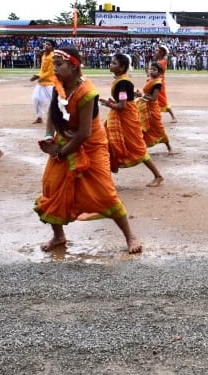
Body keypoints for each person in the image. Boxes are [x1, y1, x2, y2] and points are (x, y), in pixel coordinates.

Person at [34, 48, 142, 253]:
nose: (54, 68)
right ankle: (58, 237)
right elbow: (53, 114)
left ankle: (130, 236)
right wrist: (49, 137)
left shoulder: (87, 92)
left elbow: (84, 133)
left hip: (91, 146)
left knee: (105, 193)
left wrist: (60, 152)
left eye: (59, 64)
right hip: (65, 142)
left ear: (74, 67)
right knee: (51, 187)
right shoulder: (59, 84)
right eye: (54, 64)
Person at [101, 53, 165, 187]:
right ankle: (105, 179)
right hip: (122, 116)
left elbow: (122, 106)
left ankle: (158, 175)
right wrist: (112, 103)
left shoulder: (123, 83)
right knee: (108, 144)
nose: (110, 65)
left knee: (137, 148)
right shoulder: (121, 80)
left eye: (114, 63)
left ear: (122, 67)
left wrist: (109, 104)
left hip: (126, 118)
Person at [136, 61, 173, 154]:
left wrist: (141, 95)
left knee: (159, 128)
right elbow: (145, 93)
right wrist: (138, 94)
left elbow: (153, 98)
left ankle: (169, 148)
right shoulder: (149, 80)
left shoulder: (157, 83)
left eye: (154, 70)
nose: (152, 71)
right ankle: (141, 148)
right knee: (142, 128)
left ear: (159, 73)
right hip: (144, 107)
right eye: (151, 69)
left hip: (152, 109)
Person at [30, 40, 55, 124]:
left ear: (52, 47)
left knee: (55, 102)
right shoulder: (44, 56)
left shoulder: (53, 57)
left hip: (50, 83)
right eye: (45, 44)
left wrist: (39, 76)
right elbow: (42, 70)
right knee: (36, 98)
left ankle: (62, 118)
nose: (46, 46)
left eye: (48, 44)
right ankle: (39, 117)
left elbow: (50, 72)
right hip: (41, 83)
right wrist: (38, 75)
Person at [155, 45, 177, 122]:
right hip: (157, 81)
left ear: (161, 53)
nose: (156, 52)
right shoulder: (159, 61)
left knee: (162, 100)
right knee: (157, 100)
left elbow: (161, 72)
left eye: (157, 51)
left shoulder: (162, 62)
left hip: (159, 83)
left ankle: (174, 118)